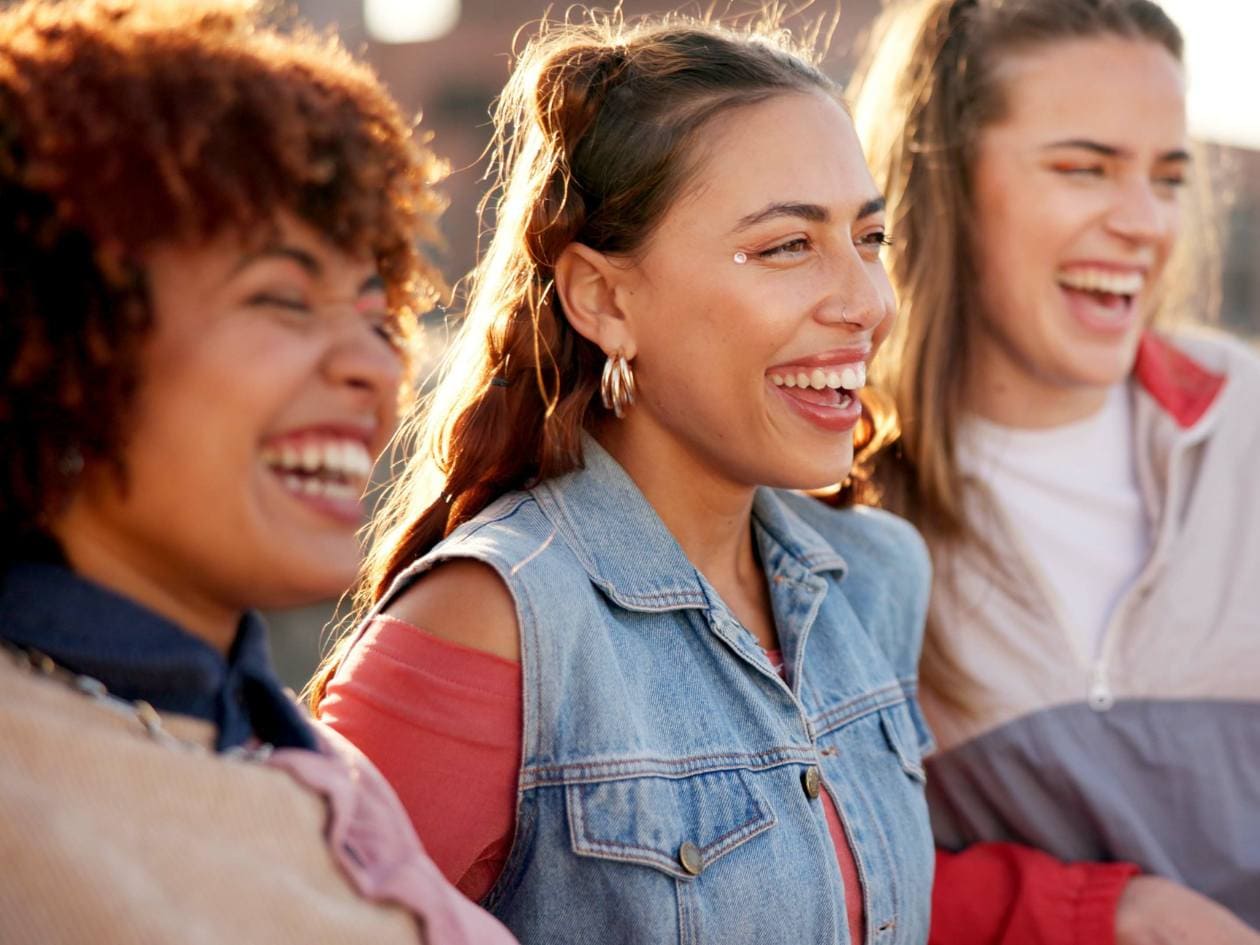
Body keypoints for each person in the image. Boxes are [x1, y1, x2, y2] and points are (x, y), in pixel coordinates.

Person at [309, 14, 935, 945]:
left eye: (869, 236)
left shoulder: (879, 575)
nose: (867, 303)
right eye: (786, 246)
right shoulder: (490, 622)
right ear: (602, 297)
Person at [0, 2, 518, 942]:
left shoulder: (306, 752)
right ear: (60, 340)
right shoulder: (25, 807)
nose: (373, 361)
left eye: (374, 308)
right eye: (281, 296)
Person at [845, 0, 1260, 941]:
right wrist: (1104, 915)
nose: (1145, 222)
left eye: (1168, 177)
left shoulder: (1250, 425)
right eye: (1085, 168)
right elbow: (813, 869)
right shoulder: (830, 499)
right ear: (941, 180)